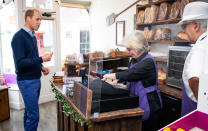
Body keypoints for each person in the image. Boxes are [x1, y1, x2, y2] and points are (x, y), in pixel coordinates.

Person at [103, 31, 162, 131]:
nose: (128, 51)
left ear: (138, 47)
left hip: (149, 103)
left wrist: (110, 75)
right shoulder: (134, 60)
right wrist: (118, 80)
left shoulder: (148, 61)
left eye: (130, 49)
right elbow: (132, 76)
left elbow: (131, 73)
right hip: (137, 99)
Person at [11, 9, 53, 131]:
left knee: (29, 113)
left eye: (41, 19)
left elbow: (32, 59)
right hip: (27, 81)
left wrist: (41, 67)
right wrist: (41, 59)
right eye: (37, 19)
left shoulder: (33, 37)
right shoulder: (18, 37)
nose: (40, 22)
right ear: (28, 18)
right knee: (34, 116)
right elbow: (20, 63)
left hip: (35, 80)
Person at [178, 2, 208, 116]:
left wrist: (202, 108)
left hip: (195, 111)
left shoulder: (200, 48)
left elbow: (194, 79)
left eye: (184, 26)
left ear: (196, 25)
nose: (184, 30)